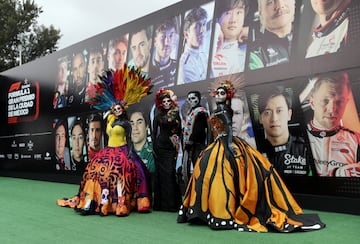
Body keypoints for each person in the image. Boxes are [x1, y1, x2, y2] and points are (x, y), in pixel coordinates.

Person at [177, 78, 326, 232]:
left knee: (228, 176)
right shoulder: (215, 111)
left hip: (227, 144)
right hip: (217, 145)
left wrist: (228, 146)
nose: (218, 95)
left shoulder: (224, 110)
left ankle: (225, 211)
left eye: (222, 93)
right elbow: (213, 130)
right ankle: (210, 210)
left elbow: (227, 128)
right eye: (217, 93)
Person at [57, 64, 153, 216]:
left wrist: (129, 155)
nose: (116, 111)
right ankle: (93, 199)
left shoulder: (126, 124)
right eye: (114, 109)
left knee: (126, 172)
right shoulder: (109, 120)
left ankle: (120, 202)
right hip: (108, 151)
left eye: (119, 109)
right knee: (93, 170)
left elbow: (129, 141)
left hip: (122, 151)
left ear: (123, 110)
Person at [305, 71, 360, 177]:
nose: (332, 109)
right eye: (325, 101)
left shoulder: (357, 140)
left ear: (346, 103)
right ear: (312, 103)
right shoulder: (294, 139)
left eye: (339, 102)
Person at [257, 86, 312, 176]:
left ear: (289, 114)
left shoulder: (306, 149)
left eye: (279, 111)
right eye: (267, 112)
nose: (274, 119)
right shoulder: (254, 152)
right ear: (260, 118)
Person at [152, 88, 182, 211]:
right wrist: (153, 147)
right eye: (163, 102)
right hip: (160, 147)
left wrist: (176, 138)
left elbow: (180, 130)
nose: (166, 104)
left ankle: (172, 204)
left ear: (171, 102)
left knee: (170, 173)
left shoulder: (176, 113)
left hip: (171, 148)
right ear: (160, 103)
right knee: (160, 175)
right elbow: (154, 133)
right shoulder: (158, 115)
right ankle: (160, 204)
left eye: (168, 101)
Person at [248, 0, 296, 70]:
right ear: (261, 11)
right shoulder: (255, 55)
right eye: (270, 2)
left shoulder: (311, 36)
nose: (280, 6)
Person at [211, 0, 248, 78]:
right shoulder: (206, 47)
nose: (233, 20)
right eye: (227, 13)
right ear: (217, 17)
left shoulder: (247, 52)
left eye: (238, 12)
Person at [181, 91, 209, 186]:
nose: (191, 101)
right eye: (189, 99)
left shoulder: (200, 112)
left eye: (193, 98)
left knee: (199, 167)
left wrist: (191, 140)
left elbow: (199, 129)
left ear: (198, 99)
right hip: (193, 146)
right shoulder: (192, 112)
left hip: (198, 145)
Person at [178, 6, 210, 84]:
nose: (203, 30)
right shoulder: (186, 64)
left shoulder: (203, 55)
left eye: (204, 24)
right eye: (197, 26)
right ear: (186, 34)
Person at [149, 16, 179, 88]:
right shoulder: (147, 75)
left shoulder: (179, 66)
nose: (167, 42)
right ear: (155, 41)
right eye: (163, 37)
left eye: (171, 36)